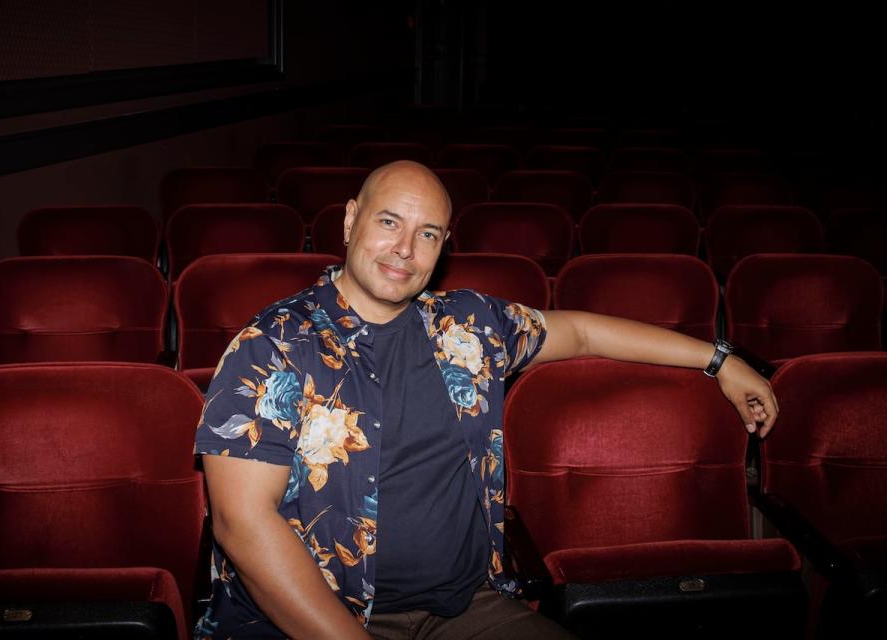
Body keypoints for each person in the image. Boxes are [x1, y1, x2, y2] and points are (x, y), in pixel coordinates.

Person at [193, 160, 778, 639]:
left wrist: (720, 359)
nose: (404, 249)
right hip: (318, 615)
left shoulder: (468, 327)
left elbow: (578, 331)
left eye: (427, 234)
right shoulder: (272, 345)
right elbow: (242, 523)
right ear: (350, 222)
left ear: (444, 245)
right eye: (389, 222)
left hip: (467, 608)